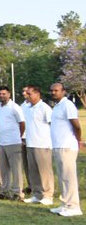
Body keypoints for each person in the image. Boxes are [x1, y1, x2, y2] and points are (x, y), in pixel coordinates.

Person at [49, 82, 82, 217]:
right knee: (62, 177)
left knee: (69, 177)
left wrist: (78, 140)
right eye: (51, 90)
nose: (53, 93)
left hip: (67, 146)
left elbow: (77, 126)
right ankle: (65, 204)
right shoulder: (57, 106)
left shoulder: (67, 105)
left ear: (63, 91)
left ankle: (74, 207)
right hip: (58, 145)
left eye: (56, 90)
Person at [0, 87, 25, 200]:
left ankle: (18, 193)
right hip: (2, 142)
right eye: (0, 94)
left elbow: (22, 123)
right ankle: (5, 191)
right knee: (4, 169)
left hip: (13, 142)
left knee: (16, 169)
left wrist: (18, 137)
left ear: (9, 94)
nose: (1, 95)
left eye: (4, 94)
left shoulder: (15, 107)